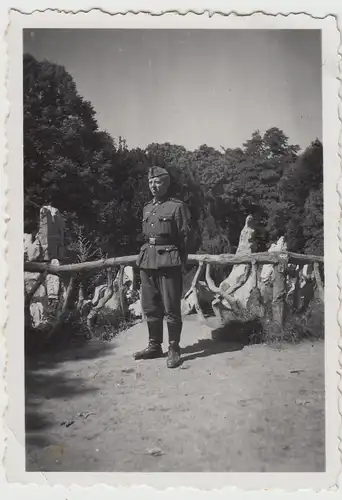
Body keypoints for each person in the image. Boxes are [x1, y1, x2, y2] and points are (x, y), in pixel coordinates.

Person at [134, 166, 192, 368]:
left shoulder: (177, 207)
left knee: (171, 307)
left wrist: (179, 260)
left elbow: (187, 238)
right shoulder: (147, 208)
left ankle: (174, 347)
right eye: (150, 182)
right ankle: (154, 345)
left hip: (169, 260)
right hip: (147, 260)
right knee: (150, 305)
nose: (153, 186)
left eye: (157, 182)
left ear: (166, 184)